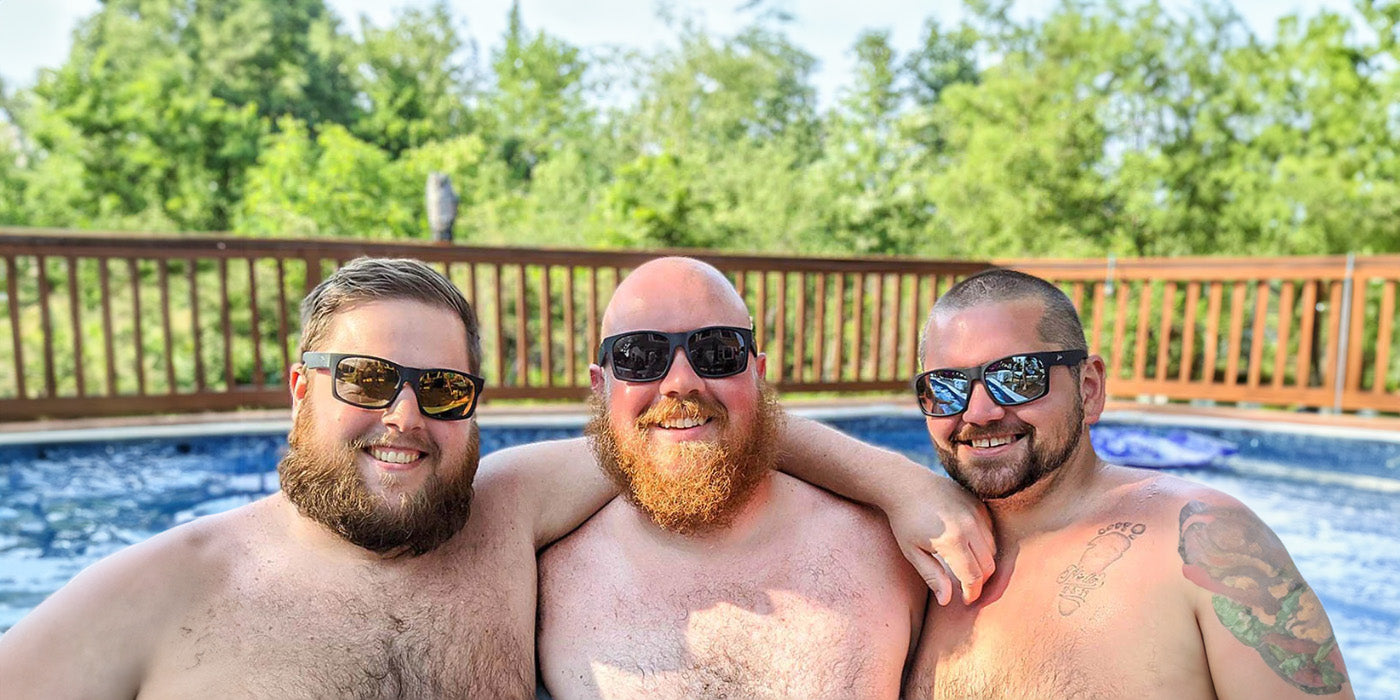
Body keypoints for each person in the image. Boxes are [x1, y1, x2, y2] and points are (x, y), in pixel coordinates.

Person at [0, 256, 991, 699]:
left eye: (440, 389)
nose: (403, 418)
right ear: (301, 389)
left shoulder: (503, 514)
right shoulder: (163, 590)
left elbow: (688, 428)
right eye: (366, 380)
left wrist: (897, 482)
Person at [530, 257, 988, 699]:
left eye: (717, 352)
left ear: (758, 374)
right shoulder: (544, 582)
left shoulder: (890, 553)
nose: (681, 382)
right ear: (600, 386)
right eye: (641, 357)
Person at [892, 268, 1354, 699]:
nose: (978, 412)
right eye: (946, 386)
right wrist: (889, 481)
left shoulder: (1202, 540)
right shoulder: (911, 558)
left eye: (1018, 377)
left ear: (1089, 387)